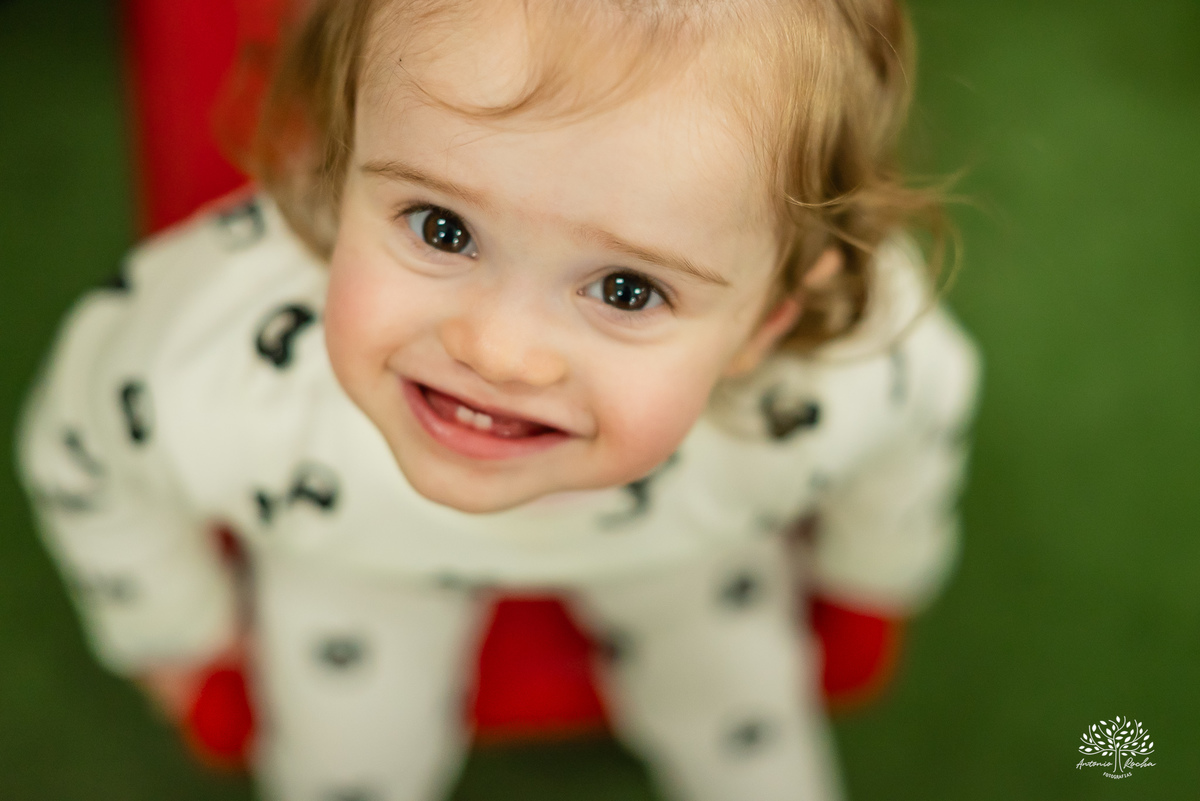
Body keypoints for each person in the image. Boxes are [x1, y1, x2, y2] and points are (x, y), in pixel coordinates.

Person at [16, 0, 981, 799]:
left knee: (744, 714)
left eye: (627, 290)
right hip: (350, 543)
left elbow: (922, 421)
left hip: (685, 541)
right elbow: (85, 453)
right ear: (329, 162)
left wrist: (871, 580)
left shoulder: (835, 380)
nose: (500, 352)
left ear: (769, 321)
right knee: (340, 762)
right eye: (441, 227)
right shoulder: (226, 366)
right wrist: (181, 632)